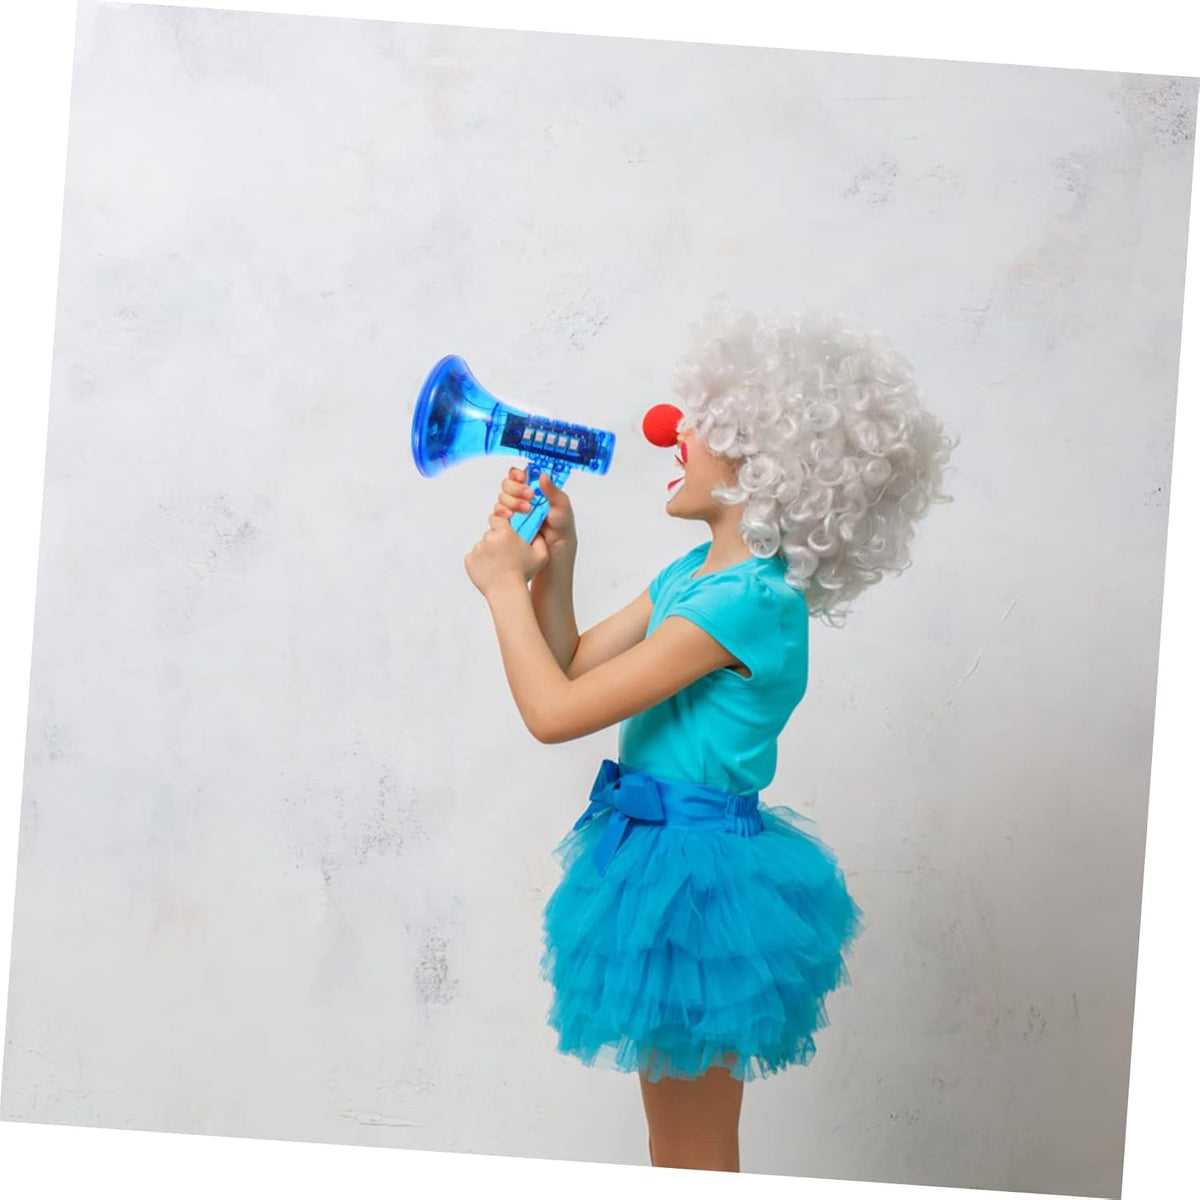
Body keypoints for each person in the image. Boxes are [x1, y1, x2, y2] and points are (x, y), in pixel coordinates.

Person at [462, 301, 957, 1172]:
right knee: (674, 1144)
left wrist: (503, 588)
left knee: (692, 1152)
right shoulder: (697, 574)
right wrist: (556, 561)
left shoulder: (748, 604)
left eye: (705, 425)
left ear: (766, 468)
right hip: (654, 859)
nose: (671, 433)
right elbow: (573, 665)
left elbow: (553, 716)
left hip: (694, 881)